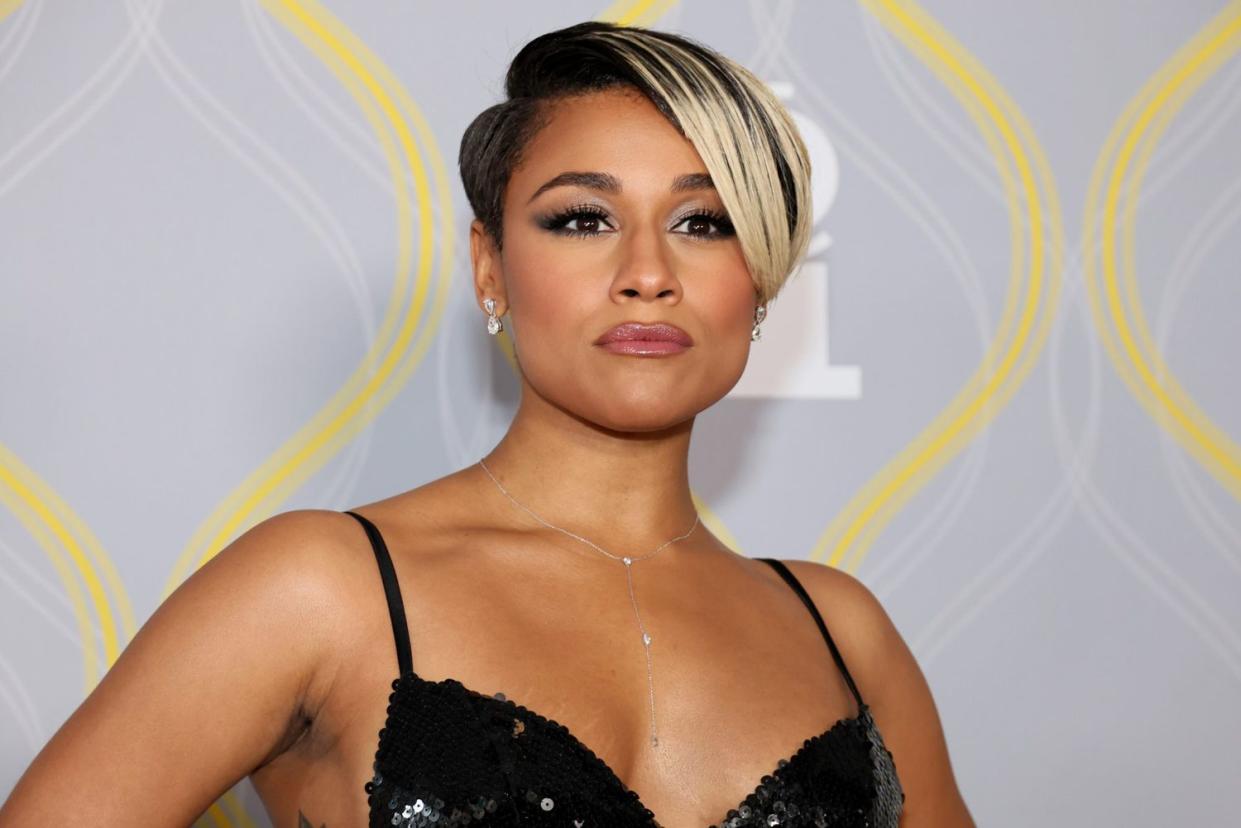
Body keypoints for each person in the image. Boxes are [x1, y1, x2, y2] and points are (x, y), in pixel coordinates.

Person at [0, 20, 974, 828]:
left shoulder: (840, 631)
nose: (646, 271)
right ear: (489, 268)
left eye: (703, 222)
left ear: (756, 285)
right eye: (581, 219)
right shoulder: (319, 588)